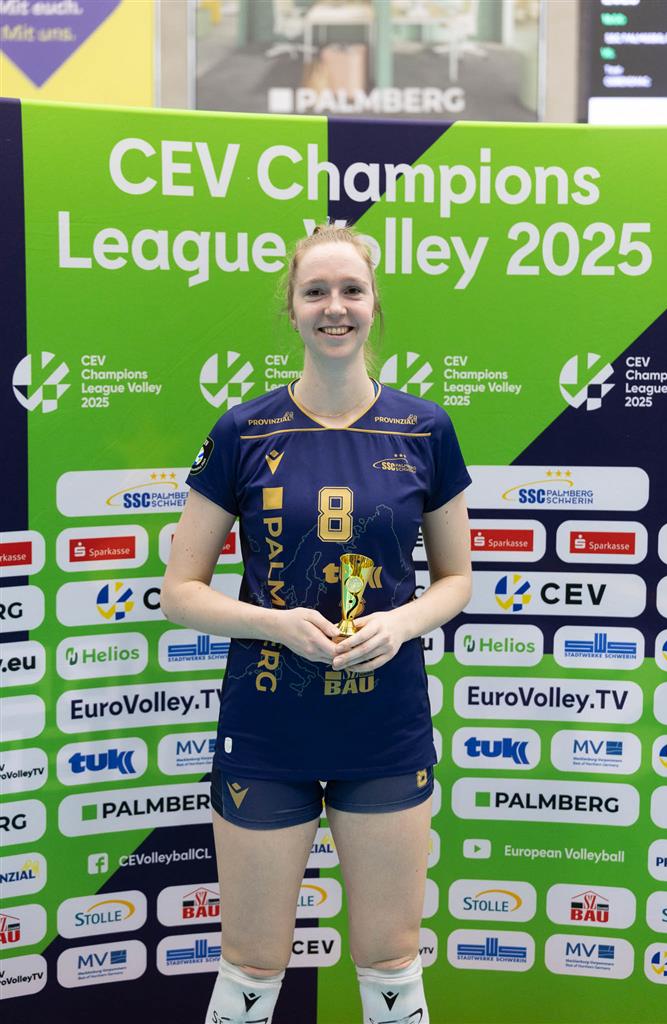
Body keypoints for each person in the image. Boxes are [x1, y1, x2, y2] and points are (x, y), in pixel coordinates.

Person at [160, 224, 472, 1024]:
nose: (335, 307)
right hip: (270, 729)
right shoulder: (243, 431)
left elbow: (457, 580)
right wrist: (274, 624)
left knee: (392, 961)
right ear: (293, 310)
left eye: (351, 290)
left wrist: (401, 623)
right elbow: (180, 592)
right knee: (250, 965)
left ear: (374, 304)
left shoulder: (426, 429)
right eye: (316, 292)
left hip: (384, 726)